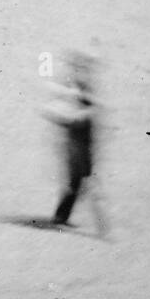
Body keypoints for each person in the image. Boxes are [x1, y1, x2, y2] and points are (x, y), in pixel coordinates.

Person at [47, 53, 107, 235]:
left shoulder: (81, 100)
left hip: (82, 149)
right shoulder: (78, 109)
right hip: (77, 150)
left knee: (78, 186)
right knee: (77, 185)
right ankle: (60, 218)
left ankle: (61, 217)